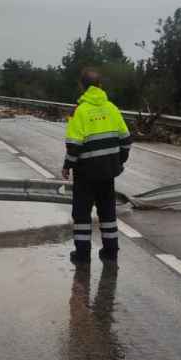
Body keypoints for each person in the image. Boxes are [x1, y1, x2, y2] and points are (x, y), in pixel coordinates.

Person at [62, 68, 132, 263]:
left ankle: (82, 255)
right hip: (108, 172)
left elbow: (74, 145)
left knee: (82, 213)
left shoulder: (80, 111)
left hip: (86, 173)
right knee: (107, 211)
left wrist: (67, 165)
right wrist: (119, 161)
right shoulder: (112, 108)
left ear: (81, 86)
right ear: (100, 85)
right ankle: (110, 252)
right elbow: (126, 139)